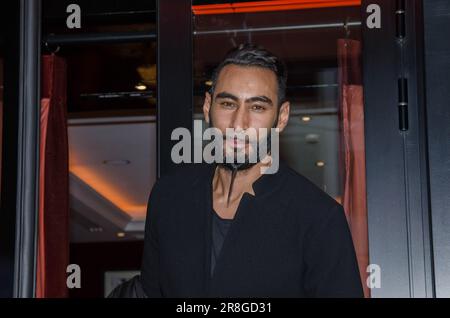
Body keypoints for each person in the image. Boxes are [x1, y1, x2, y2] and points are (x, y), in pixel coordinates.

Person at [139, 44, 363, 298]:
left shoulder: (318, 217)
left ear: (281, 117)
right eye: (227, 104)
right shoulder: (168, 197)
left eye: (257, 107)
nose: (239, 124)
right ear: (207, 107)